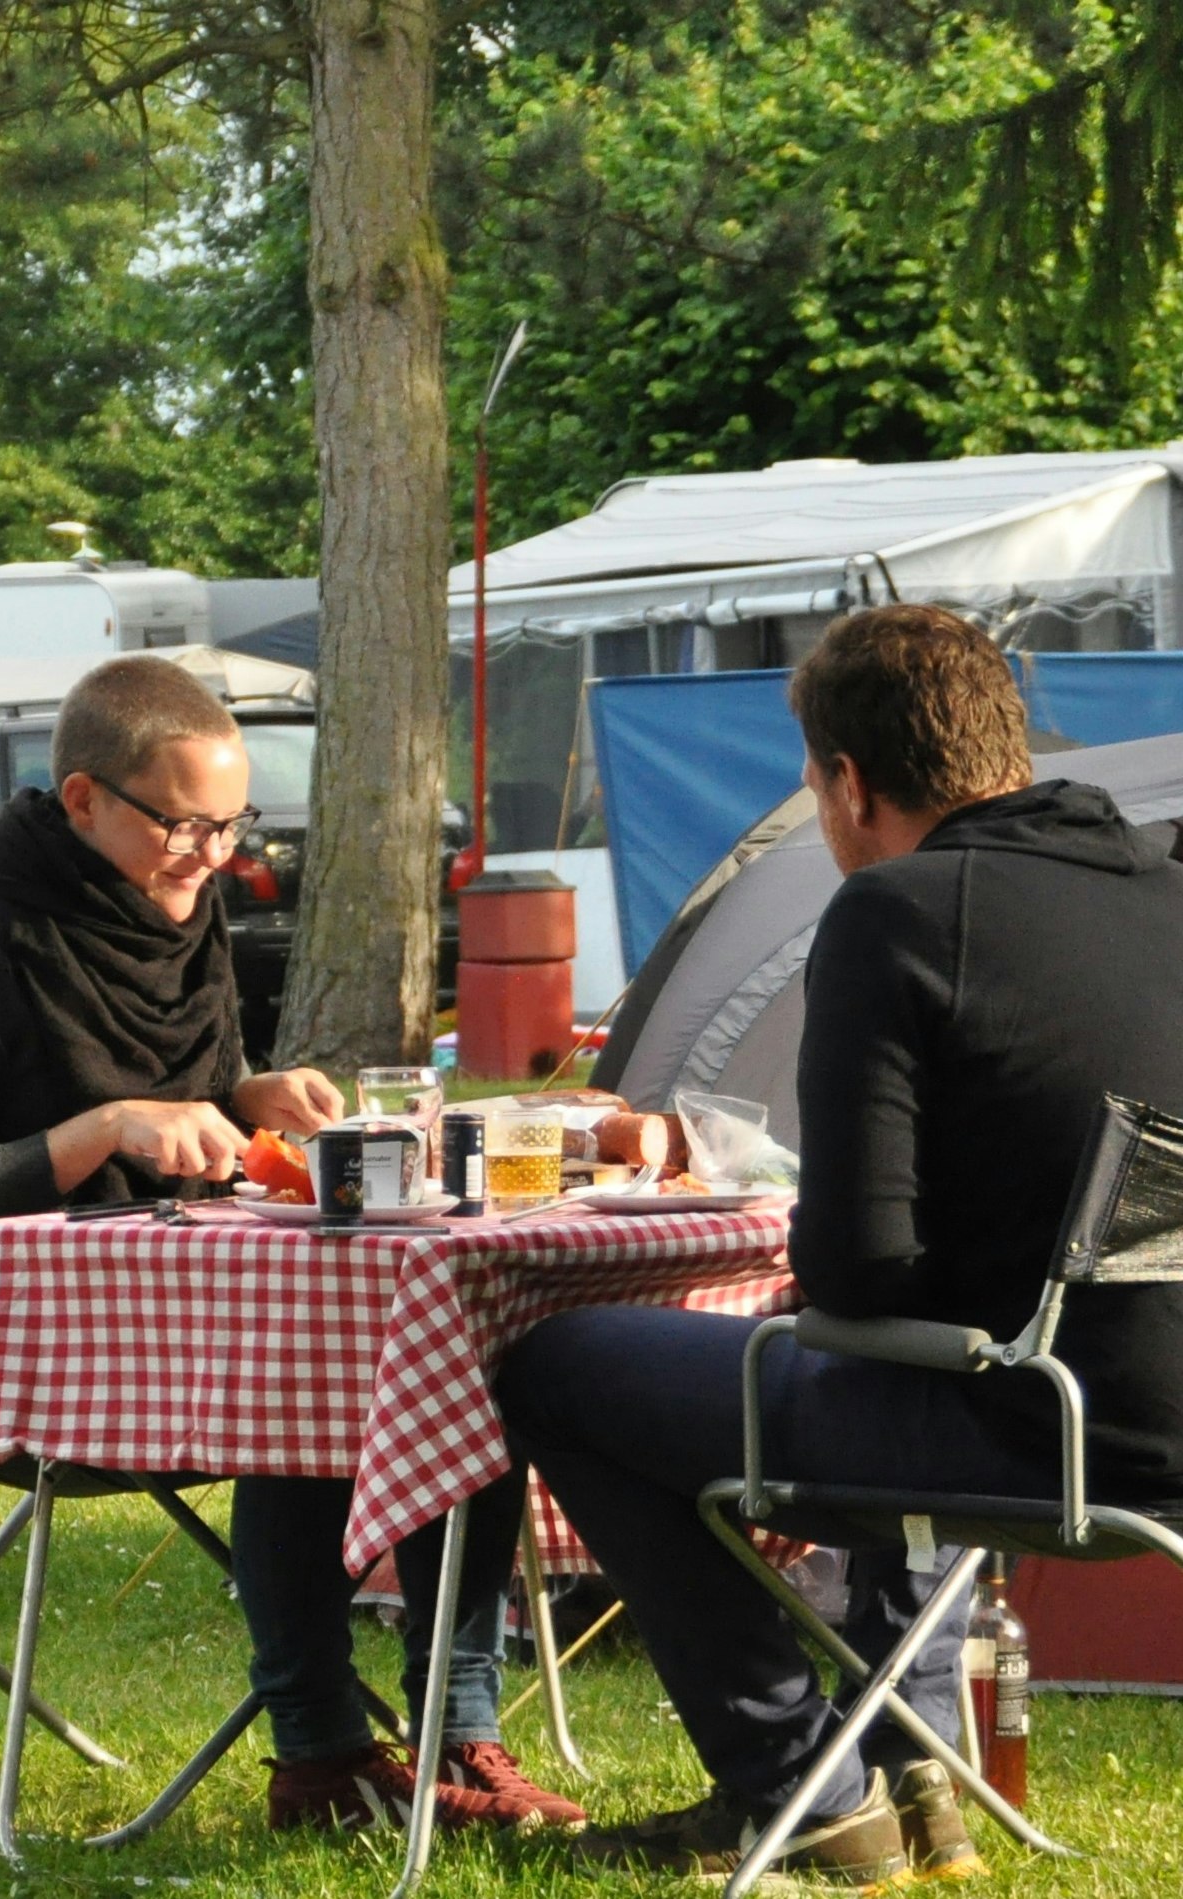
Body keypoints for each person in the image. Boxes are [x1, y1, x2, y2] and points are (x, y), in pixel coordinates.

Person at [498, 604, 1183, 1886]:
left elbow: (856, 1269)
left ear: (849, 784)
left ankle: (799, 1786)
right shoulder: (1165, 890)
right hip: (1155, 1418)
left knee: (557, 1367)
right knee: (906, 1351)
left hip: (1045, 1435)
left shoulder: (898, 912)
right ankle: (911, 1761)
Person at [0, 655, 582, 1835]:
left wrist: (249, 1098)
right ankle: (322, 1756)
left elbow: (187, 1102)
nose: (212, 855)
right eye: (184, 825)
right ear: (84, 800)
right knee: (308, 1376)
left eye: (232, 825)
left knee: (457, 1353)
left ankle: (457, 1735)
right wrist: (106, 1126)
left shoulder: (178, 914)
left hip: (184, 1310)